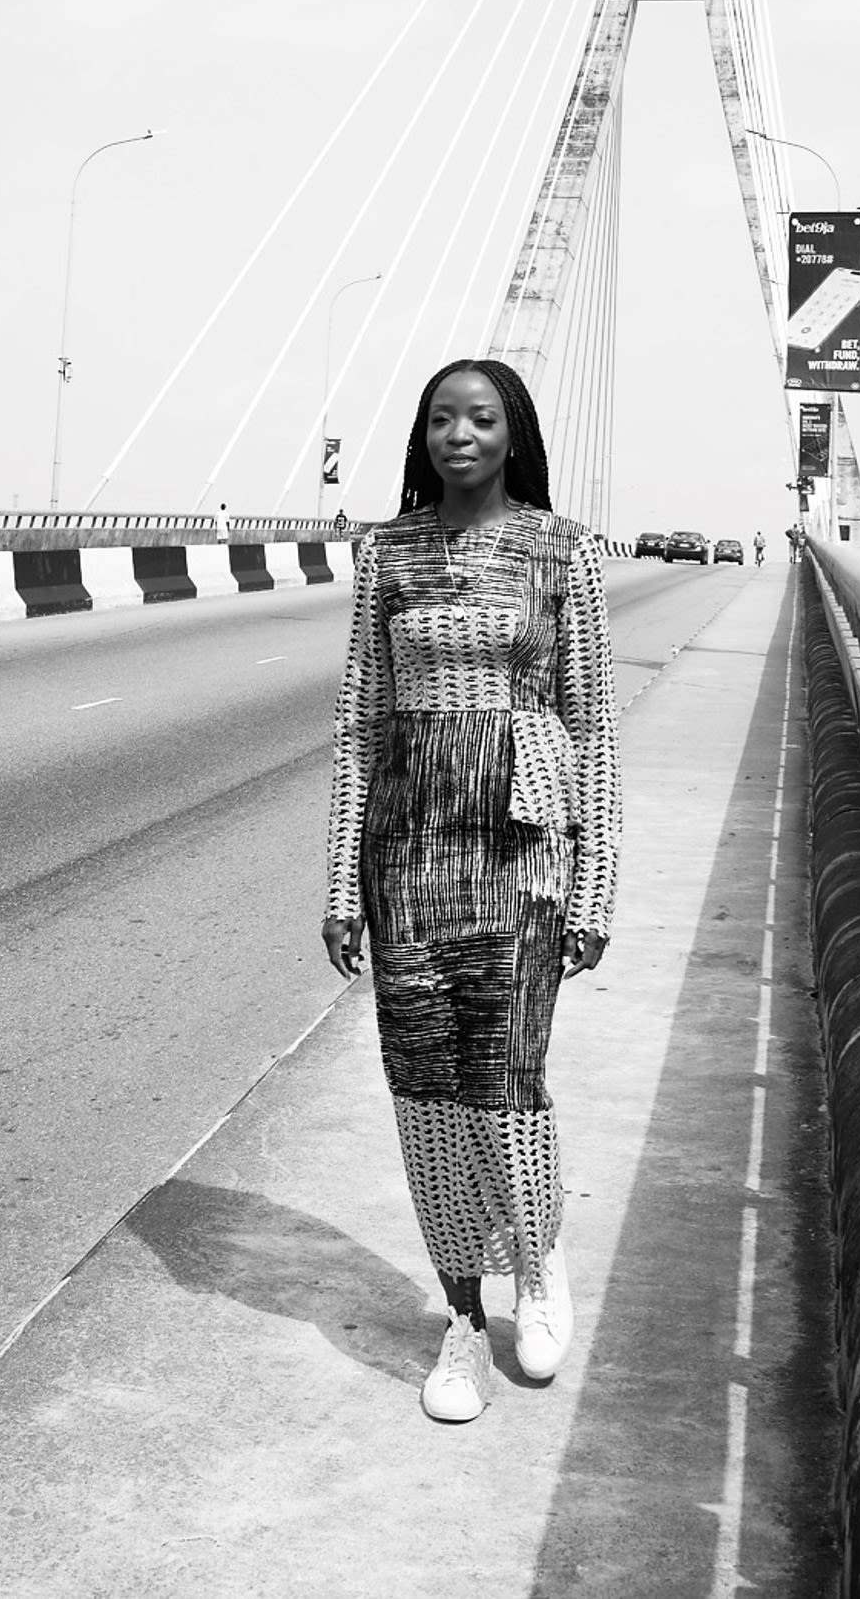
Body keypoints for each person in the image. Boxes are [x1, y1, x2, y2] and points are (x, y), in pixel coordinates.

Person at [322, 358, 623, 1425]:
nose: (460, 433)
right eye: (441, 417)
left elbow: (590, 721)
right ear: (421, 435)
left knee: (505, 1072)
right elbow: (360, 718)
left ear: (512, 433)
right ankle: (460, 1315)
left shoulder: (565, 549)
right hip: (406, 844)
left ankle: (535, 1269)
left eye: (480, 416)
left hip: (523, 840)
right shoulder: (386, 553)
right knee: (423, 1086)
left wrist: (596, 881)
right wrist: (338, 878)